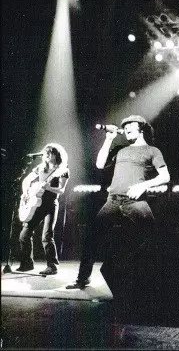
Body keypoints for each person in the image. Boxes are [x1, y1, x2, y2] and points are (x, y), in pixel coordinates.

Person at [66, 115, 170, 289]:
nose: (126, 127)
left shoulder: (152, 151)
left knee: (152, 237)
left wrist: (143, 186)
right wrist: (108, 139)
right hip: (113, 201)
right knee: (92, 236)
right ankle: (82, 278)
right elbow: (100, 164)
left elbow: (165, 176)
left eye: (130, 124)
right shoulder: (120, 150)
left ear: (141, 128)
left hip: (135, 201)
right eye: (125, 125)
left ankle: (156, 281)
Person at [17, 143, 70, 275]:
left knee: (47, 235)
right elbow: (26, 181)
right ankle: (27, 263)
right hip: (36, 203)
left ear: (56, 155)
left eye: (50, 152)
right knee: (24, 234)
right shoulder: (40, 167)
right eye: (45, 152)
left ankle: (52, 266)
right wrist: (25, 192)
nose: (46, 154)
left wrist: (48, 188)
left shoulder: (63, 170)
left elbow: (61, 190)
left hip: (50, 204)